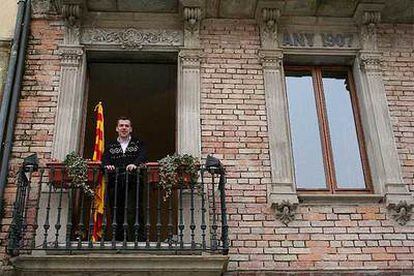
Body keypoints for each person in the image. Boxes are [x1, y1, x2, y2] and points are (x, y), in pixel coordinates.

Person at [102, 117, 147, 241]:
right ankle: (119, 239)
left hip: (133, 182)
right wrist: (107, 165)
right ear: (117, 128)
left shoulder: (138, 143)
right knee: (117, 210)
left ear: (130, 129)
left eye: (127, 126)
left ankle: (136, 239)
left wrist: (135, 164)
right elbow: (105, 159)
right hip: (115, 182)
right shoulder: (110, 145)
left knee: (134, 210)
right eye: (121, 125)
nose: (124, 128)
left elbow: (143, 155)